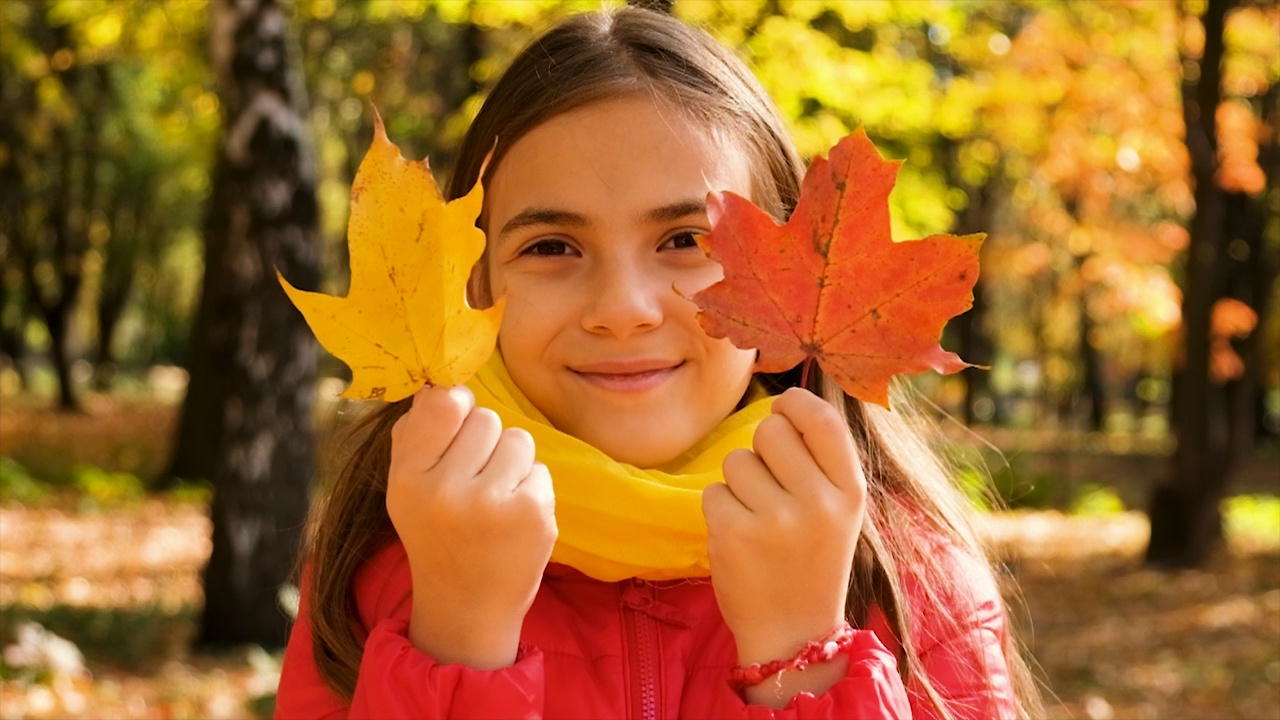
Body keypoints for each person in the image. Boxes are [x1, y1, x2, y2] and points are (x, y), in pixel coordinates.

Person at [275, 6, 1042, 719]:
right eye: (551, 247)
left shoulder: (911, 585)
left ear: (786, 274)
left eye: (686, 241)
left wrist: (804, 656)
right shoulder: (384, 568)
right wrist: (457, 639)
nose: (624, 307)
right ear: (476, 283)